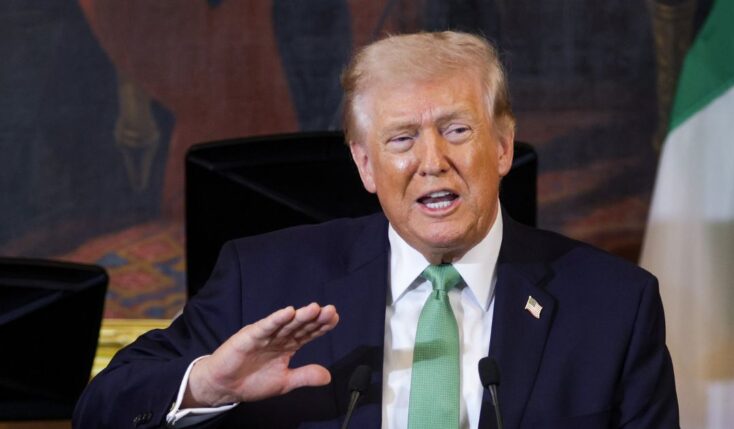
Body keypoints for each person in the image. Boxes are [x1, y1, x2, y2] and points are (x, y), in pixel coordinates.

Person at [73, 31, 679, 428]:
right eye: (400, 139)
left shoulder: (613, 306)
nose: (432, 160)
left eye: (457, 130)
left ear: (502, 146)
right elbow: (101, 408)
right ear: (365, 164)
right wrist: (206, 384)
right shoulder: (263, 279)